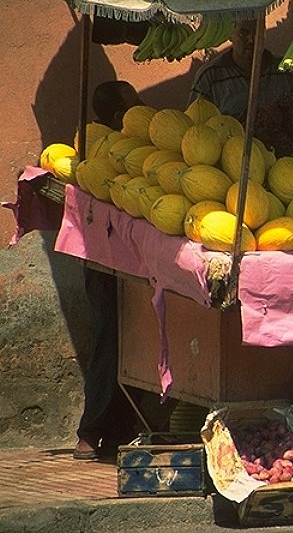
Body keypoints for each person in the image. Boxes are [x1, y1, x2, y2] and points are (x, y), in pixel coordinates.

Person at [74, 80, 141, 460]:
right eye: (135, 104)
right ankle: (90, 432)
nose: (142, 107)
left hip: (124, 260)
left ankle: (119, 431)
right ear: (119, 116)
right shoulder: (105, 150)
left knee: (129, 342)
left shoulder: (120, 147)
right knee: (109, 342)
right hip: (103, 260)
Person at [188, 18, 293, 120]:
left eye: (257, 32)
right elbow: (194, 126)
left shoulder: (286, 71)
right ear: (230, 35)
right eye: (243, 32)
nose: (251, 40)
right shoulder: (210, 76)